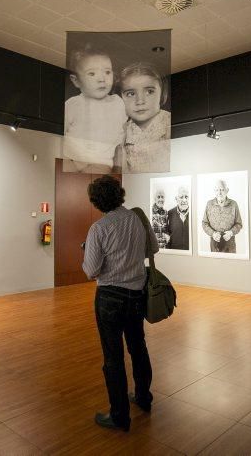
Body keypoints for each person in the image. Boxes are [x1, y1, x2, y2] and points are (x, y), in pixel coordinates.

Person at [82, 175, 157, 432]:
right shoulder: (138, 219)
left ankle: (119, 415)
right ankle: (144, 398)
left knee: (113, 357)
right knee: (138, 348)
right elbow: (153, 249)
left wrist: (88, 253)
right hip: (136, 295)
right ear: (120, 194)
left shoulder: (99, 228)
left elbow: (91, 271)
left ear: (97, 200)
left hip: (110, 298)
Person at [63, 45, 127, 173]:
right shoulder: (73, 104)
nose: (102, 79)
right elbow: (62, 133)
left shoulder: (117, 103)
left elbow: (124, 131)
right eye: (92, 73)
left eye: (107, 72)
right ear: (76, 81)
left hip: (101, 161)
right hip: (73, 158)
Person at [117, 62, 170, 173]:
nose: (140, 101)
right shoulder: (124, 129)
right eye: (130, 94)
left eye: (149, 91)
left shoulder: (168, 123)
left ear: (162, 94)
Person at [201, 179, 242, 253]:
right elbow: (204, 223)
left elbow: (239, 224)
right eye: (217, 190)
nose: (219, 193)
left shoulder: (234, 204)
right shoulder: (209, 204)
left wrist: (231, 232)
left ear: (227, 190)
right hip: (214, 242)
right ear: (214, 191)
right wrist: (213, 234)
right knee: (215, 264)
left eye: (222, 190)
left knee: (231, 263)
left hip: (230, 242)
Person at [166, 186, 190, 250]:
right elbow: (167, 233)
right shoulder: (169, 213)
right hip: (175, 253)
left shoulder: (194, 213)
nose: (184, 200)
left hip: (190, 253)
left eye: (186, 197)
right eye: (181, 197)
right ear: (176, 199)